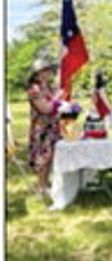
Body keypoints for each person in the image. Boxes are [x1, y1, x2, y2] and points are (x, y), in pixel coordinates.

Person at [26, 56, 64, 196]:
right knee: (42, 157)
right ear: (39, 72)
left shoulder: (48, 86)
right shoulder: (34, 89)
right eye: (47, 70)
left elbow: (55, 104)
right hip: (41, 128)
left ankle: (46, 184)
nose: (49, 73)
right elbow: (45, 108)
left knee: (51, 155)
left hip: (52, 126)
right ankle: (40, 187)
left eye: (50, 70)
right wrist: (57, 99)